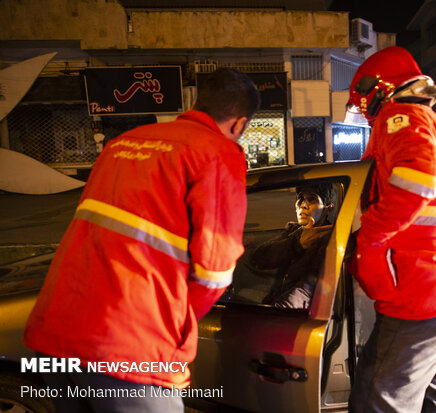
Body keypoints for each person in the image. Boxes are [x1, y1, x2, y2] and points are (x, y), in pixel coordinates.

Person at [22, 68, 260, 413]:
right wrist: (178, 322)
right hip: (128, 345)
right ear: (238, 125)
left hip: (55, 331)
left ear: (198, 103)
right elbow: (215, 272)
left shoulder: (125, 143)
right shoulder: (215, 153)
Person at [346, 46, 436, 412]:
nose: (364, 115)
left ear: (376, 91)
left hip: (419, 295)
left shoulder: (399, 116)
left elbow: (417, 179)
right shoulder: (424, 119)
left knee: (378, 401)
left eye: (361, 105)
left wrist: (368, 239)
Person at [249, 184, 335, 309]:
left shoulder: (329, 240)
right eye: (300, 199)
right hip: (275, 297)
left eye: (312, 199)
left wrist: (276, 312)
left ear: (328, 208)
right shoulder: (294, 231)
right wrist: (297, 244)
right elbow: (258, 258)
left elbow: (307, 290)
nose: (303, 205)